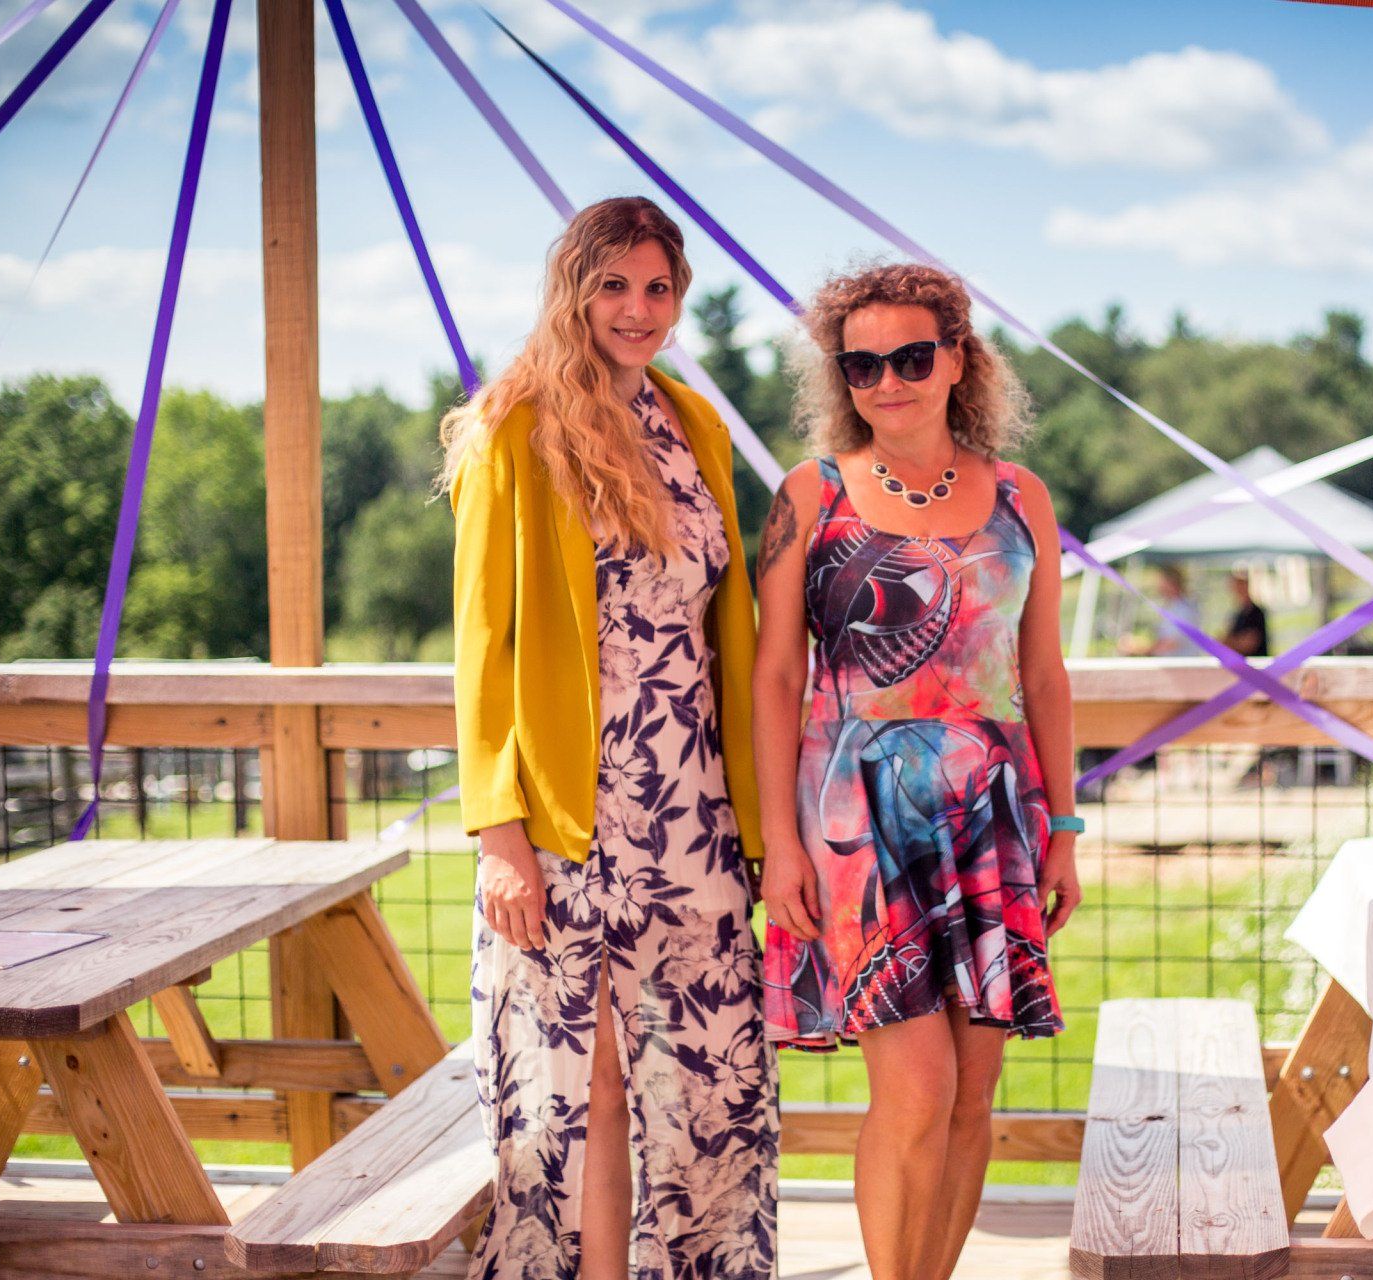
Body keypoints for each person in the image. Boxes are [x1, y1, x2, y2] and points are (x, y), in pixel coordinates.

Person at [444, 196, 777, 1280]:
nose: (638, 309)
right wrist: (498, 832)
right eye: (614, 286)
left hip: (697, 810)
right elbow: (482, 644)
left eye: (658, 287)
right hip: (568, 819)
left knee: (705, 1085)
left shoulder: (695, 423)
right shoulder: (514, 428)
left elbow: (727, 621)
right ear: (574, 291)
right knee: (580, 1093)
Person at [751, 262, 1083, 1280]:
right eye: (863, 365)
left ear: (957, 360)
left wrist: (1066, 829)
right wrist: (778, 844)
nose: (887, 381)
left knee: (972, 1096)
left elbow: (1042, 672)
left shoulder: (1022, 496)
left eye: (910, 357)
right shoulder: (809, 495)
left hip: (994, 816)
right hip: (857, 819)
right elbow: (775, 676)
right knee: (918, 1086)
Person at [1118, 561, 1201, 657]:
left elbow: (1171, 643)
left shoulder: (1182, 610)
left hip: (1178, 664)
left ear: (1170, 583)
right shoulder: (1172, 607)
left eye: (1160, 581)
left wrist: (1137, 649)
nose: (1157, 586)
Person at [1220, 567, 1270, 658]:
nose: (1237, 589)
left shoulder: (1256, 612)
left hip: (1254, 663)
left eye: (1240, 584)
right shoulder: (1238, 613)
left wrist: (1229, 642)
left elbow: (1249, 644)